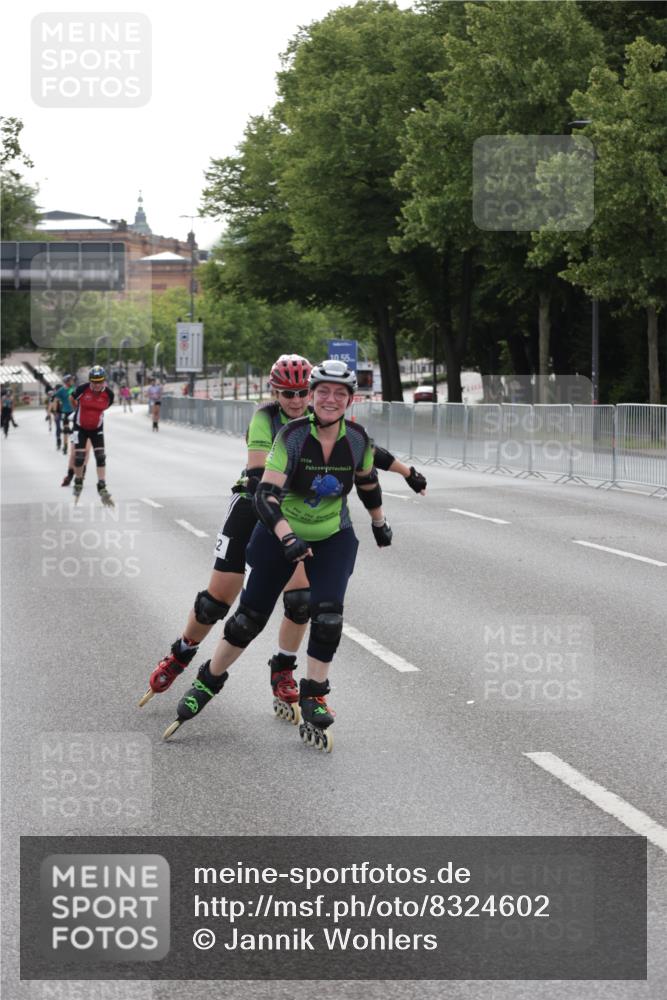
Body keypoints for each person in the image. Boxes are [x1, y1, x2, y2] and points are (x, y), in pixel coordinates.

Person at [162, 359, 393, 752]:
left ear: (351, 399)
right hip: (270, 521)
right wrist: (286, 536)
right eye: (317, 392)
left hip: (328, 533)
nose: (309, 399)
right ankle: (202, 673)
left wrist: (381, 518)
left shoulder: (355, 437)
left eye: (337, 393)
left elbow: (369, 473)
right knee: (243, 617)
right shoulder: (284, 432)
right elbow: (263, 491)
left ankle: (310, 689)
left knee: (322, 613)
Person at [139, 355, 315, 720]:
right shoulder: (265, 417)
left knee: (300, 600)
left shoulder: (321, 422)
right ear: (275, 392)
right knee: (215, 603)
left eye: (303, 392)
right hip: (252, 505)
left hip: (295, 513)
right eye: (288, 393)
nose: (297, 400)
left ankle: (283, 669)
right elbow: (258, 474)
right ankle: (181, 653)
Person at [70, 365, 115, 506]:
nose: (97, 385)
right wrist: (77, 410)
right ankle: (78, 480)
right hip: (80, 427)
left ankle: (101, 485)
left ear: (104, 381)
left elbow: (106, 406)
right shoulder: (82, 389)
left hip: (96, 428)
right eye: (94, 382)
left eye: (100, 381)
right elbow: (72, 398)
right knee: (79, 457)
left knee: (100, 456)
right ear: (90, 381)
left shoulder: (109, 394)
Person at [52, 374, 75, 455]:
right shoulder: (61, 390)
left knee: (75, 430)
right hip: (65, 411)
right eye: (71, 380)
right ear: (67, 381)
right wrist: (55, 412)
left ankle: (75, 446)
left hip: (74, 411)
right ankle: (65, 446)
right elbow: (55, 400)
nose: (72, 381)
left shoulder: (73, 388)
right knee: (66, 430)